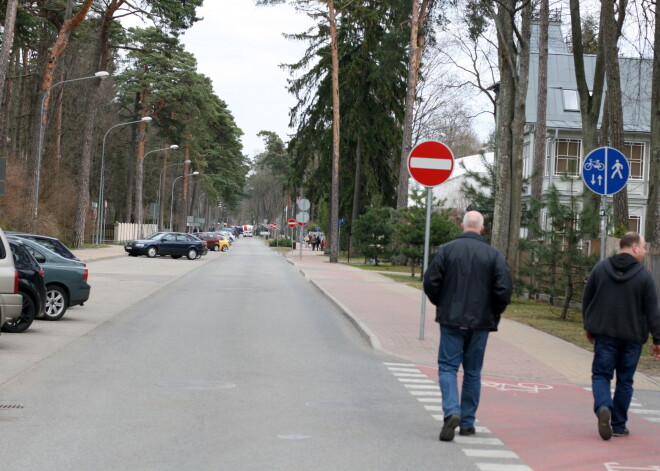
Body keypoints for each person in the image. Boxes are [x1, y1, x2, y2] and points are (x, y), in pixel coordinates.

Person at [423, 211, 512, 442]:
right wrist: (495, 311)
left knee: (447, 368)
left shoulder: (446, 250)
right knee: (472, 372)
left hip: (451, 319)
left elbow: (430, 281)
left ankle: (451, 411)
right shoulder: (493, 255)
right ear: (483, 229)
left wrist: (441, 303)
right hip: (481, 322)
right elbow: (503, 289)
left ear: (462, 226)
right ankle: (467, 422)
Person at [582, 232, 660, 440]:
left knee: (601, 375)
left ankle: (603, 408)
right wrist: (657, 339)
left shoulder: (601, 269)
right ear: (634, 247)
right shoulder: (645, 276)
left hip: (605, 334)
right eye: (643, 247)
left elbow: (587, 298)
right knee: (625, 381)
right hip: (633, 337)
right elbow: (653, 311)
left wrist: (589, 326)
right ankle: (618, 424)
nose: (644, 251)